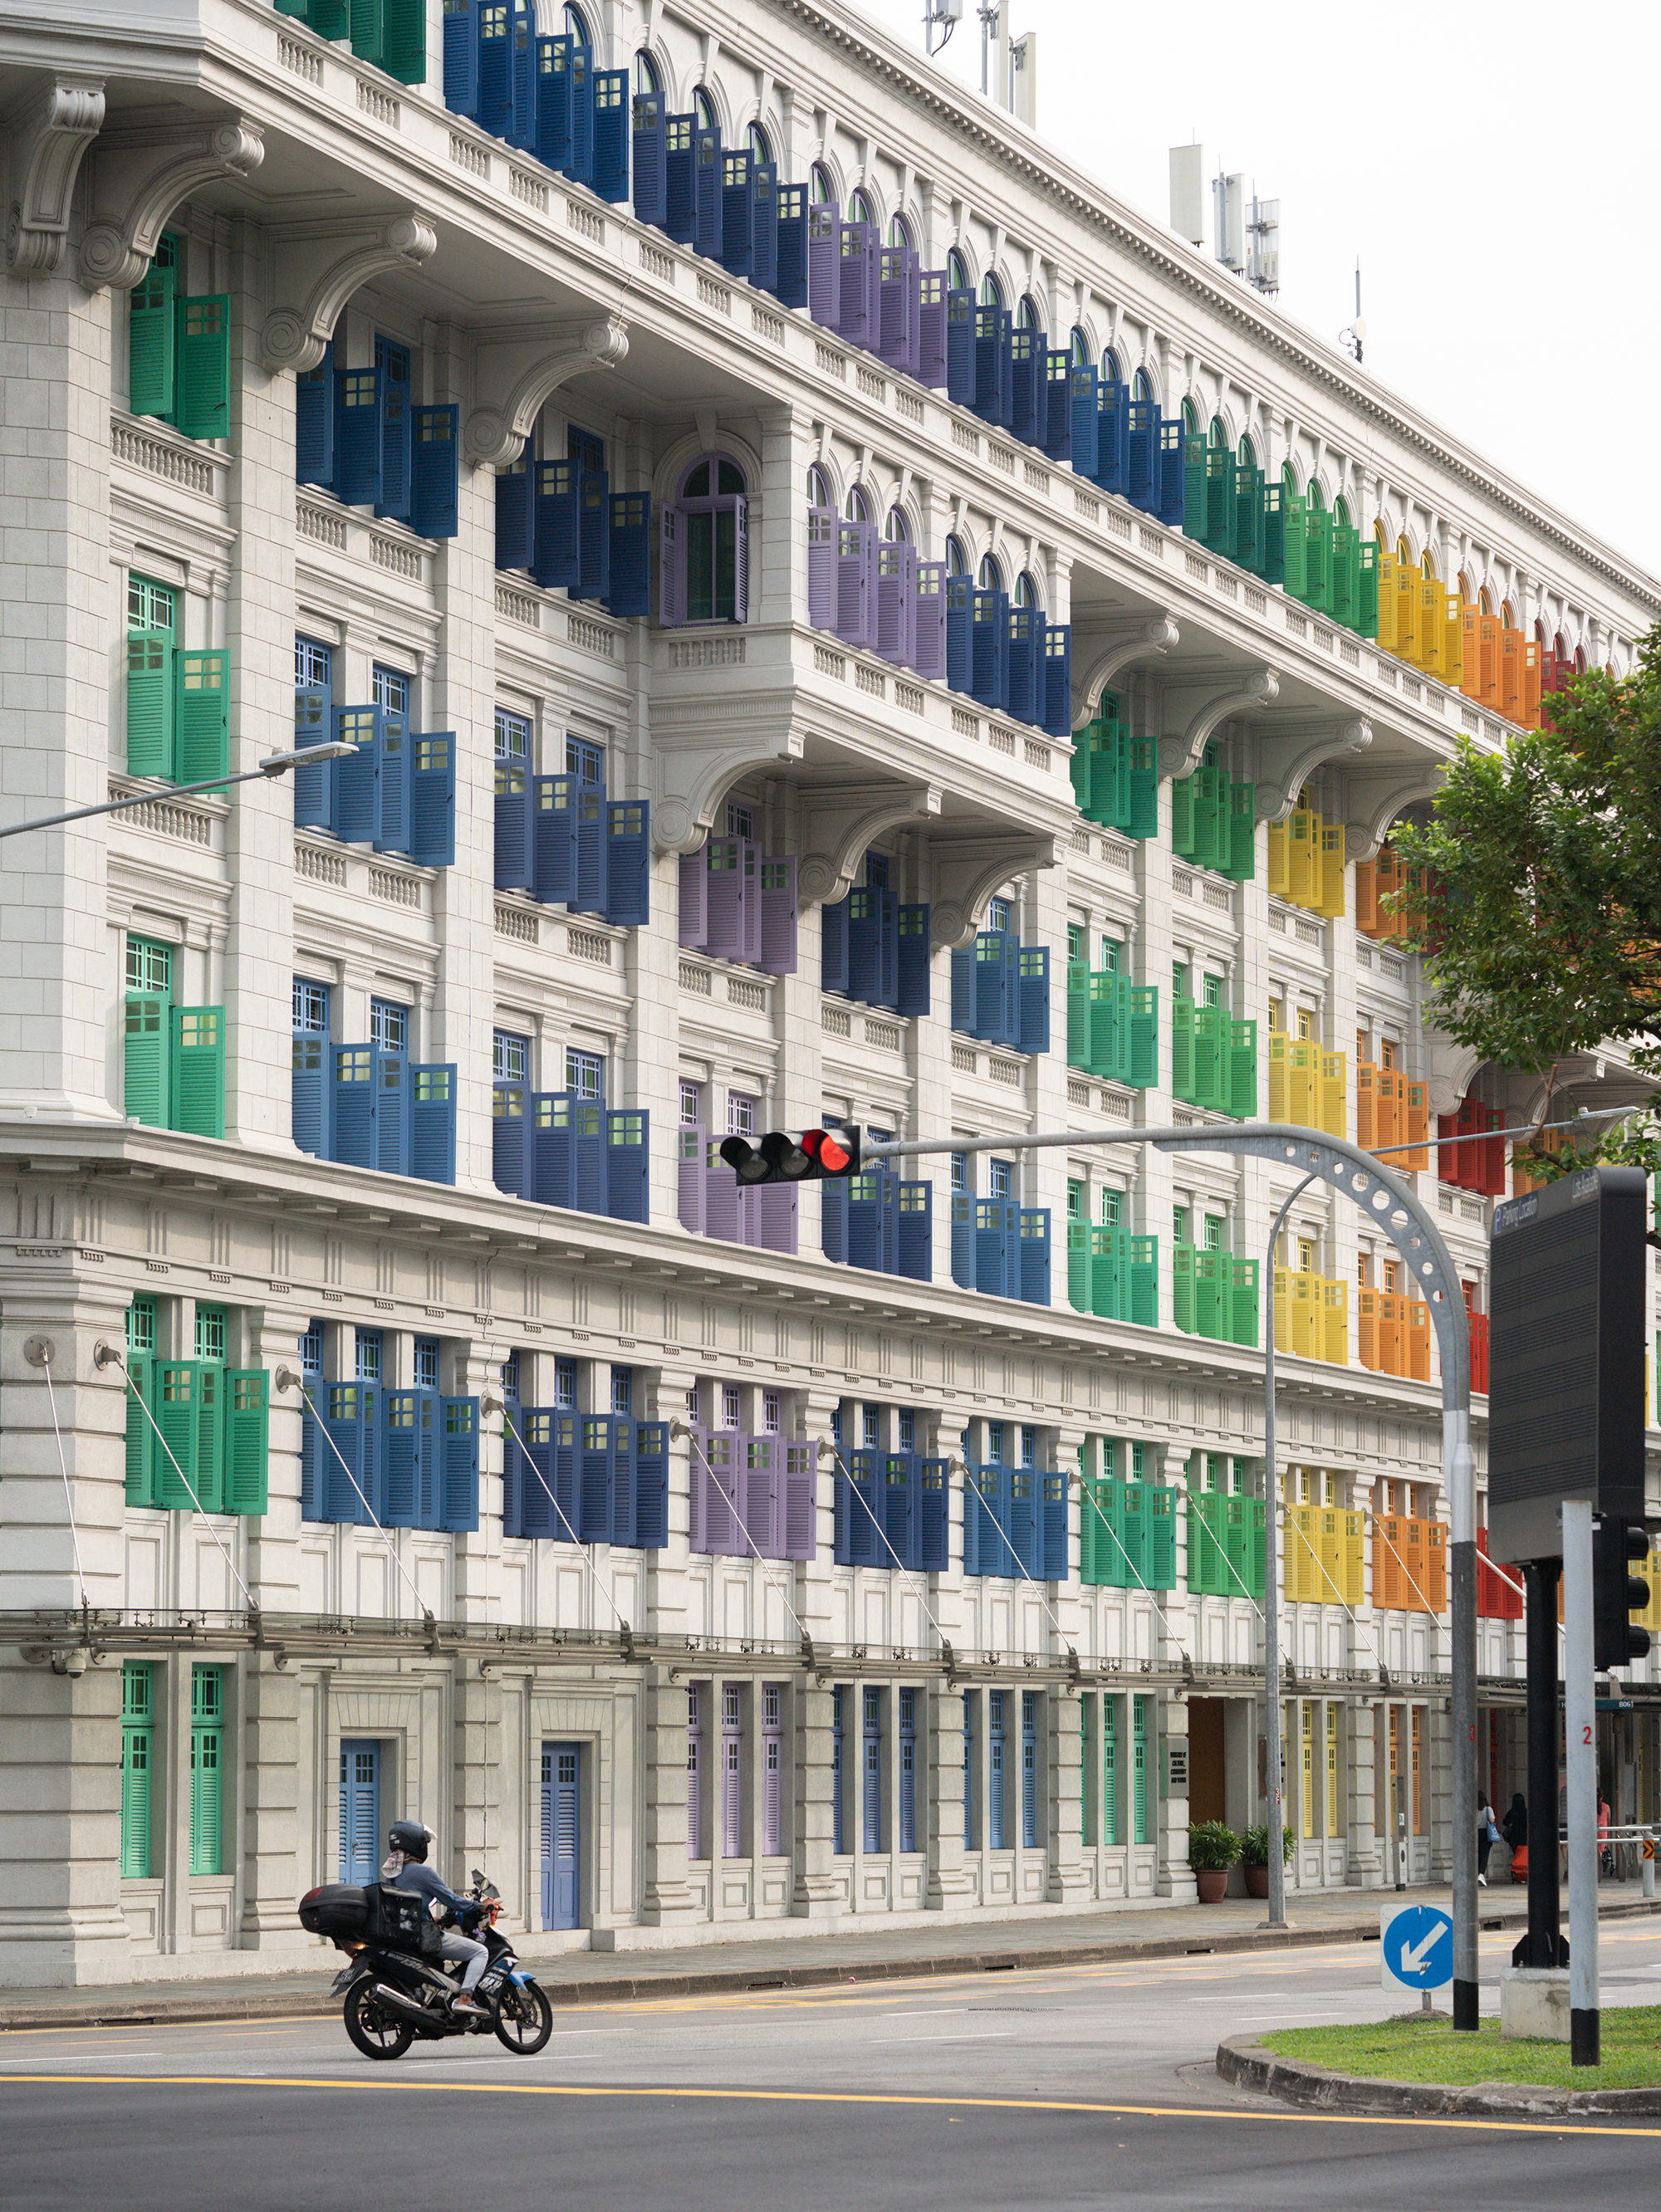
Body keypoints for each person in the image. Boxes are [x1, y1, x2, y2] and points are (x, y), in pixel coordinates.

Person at [385, 1819, 489, 2017]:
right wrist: (479, 1905)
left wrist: (435, 1920)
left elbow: (409, 1906)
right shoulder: (423, 1872)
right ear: (416, 1844)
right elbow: (452, 1900)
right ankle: (465, 1999)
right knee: (480, 1952)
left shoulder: (391, 1873)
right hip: (423, 1937)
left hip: (404, 1935)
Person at [1476, 1790, 1497, 1887]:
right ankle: (1481, 1874)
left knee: (1477, 1854)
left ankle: (1477, 1874)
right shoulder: (1488, 1809)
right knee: (1484, 1855)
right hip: (1485, 1833)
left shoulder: (1473, 1809)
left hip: (1475, 1833)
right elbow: (1492, 1820)